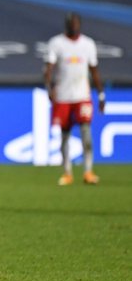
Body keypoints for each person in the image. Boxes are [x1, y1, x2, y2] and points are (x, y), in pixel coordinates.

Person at [44, 12, 105, 185]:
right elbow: (48, 68)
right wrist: (49, 87)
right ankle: (67, 172)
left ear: (80, 24)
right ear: (66, 25)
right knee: (65, 136)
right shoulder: (56, 43)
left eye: (76, 23)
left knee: (86, 132)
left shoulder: (88, 44)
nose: (73, 25)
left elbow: (94, 70)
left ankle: (88, 171)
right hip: (63, 96)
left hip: (82, 95)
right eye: (71, 23)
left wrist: (101, 94)